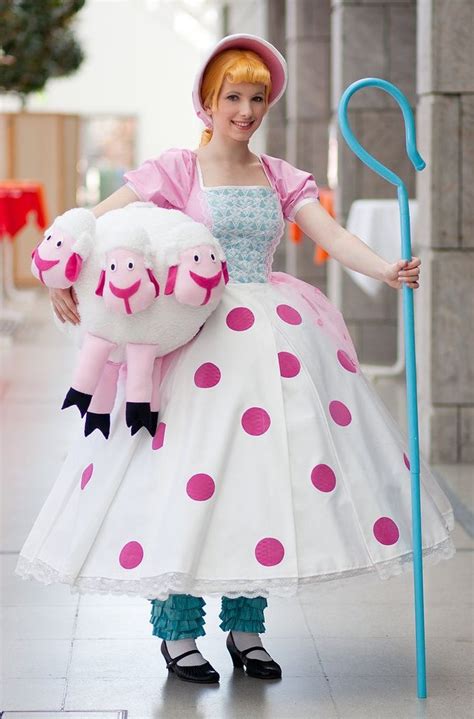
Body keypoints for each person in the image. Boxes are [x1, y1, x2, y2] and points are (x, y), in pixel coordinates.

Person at [16, 34, 455, 685]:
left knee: (259, 480)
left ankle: (245, 627)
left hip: (268, 342)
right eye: (233, 97)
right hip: (192, 338)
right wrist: (63, 269)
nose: (246, 111)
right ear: (207, 101)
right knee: (180, 479)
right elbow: (98, 221)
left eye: (256, 98)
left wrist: (387, 269)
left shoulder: (279, 174)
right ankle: (178, 633)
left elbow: (329, 234)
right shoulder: (176, 170)